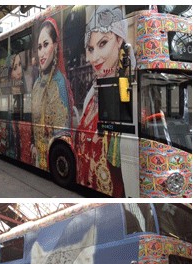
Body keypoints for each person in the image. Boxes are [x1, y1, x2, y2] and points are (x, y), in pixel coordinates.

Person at [76, 5, 133, 197]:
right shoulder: (91, 96)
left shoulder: (127, 88)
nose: (95, 57)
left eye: (103, 44)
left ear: (119, 40)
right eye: (91, 49)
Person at [31, 17, 75, 170]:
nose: (41, 53)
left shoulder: (59, 82)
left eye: (46, 45)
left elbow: (62, 134)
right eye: (39, 47)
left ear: (56, 46)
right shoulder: (36, 84)